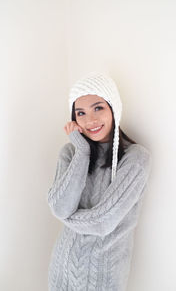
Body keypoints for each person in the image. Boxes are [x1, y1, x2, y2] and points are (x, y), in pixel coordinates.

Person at [47, 72, 152, 291]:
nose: (90, 120)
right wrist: (82, 152)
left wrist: (67, 218)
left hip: (104, 276)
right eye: (81, 113)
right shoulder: (70, 152)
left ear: (114, 108)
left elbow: (103, 223)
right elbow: (60, 207)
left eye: (98, 108)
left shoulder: (135, 158)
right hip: (62, 268)